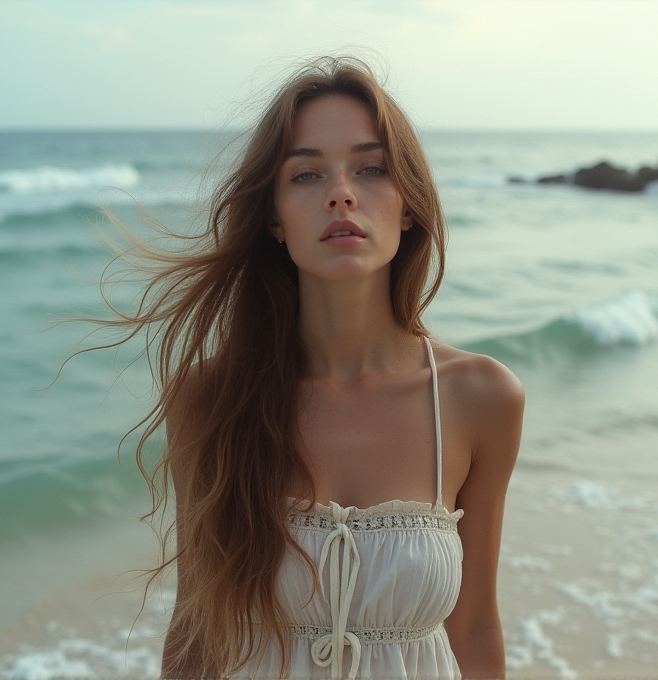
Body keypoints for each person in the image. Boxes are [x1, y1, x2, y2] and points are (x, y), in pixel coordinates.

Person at [127, 56, 524, 680]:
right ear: (275, 218)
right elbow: (197, 627)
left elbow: (473, 627)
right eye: (307, 175)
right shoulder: (213, 395)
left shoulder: (479, 397)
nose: (341, 192)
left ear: (409, 205)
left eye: (371, 169)